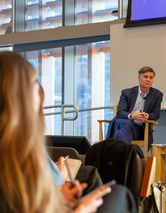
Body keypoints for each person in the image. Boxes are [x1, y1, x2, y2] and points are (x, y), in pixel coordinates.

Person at [0, 51, 136, 213]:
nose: (39, 88)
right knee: (120, 194)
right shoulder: (17, 153)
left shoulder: (14, 153)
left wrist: (58, 199)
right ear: (18, 95)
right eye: (33, 81)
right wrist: (80, 210)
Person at [106, 66, 163, 150]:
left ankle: (119, 159)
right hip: (121, 122)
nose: (148, 80)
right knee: (127, 123)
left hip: (138, 128)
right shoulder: (127, 92)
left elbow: (156, 114)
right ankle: (127, 158)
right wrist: (133, 116)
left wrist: (146, 116)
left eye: (151, 77)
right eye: (145, 77)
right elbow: (120, 112)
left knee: (118, 134)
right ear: (139, 78)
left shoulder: (157, 94)